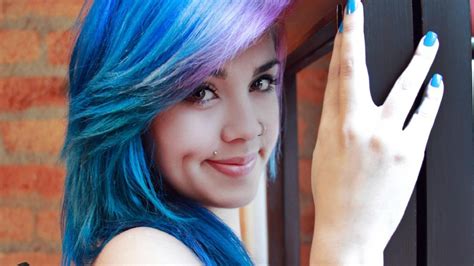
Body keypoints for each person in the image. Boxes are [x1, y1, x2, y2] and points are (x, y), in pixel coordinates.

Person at [60, 0, 443, 265]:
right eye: (200, 92)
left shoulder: (192, 237)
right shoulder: (142, 254)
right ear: (131, 109)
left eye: (261, 83)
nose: (246, 129)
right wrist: (346, 244)